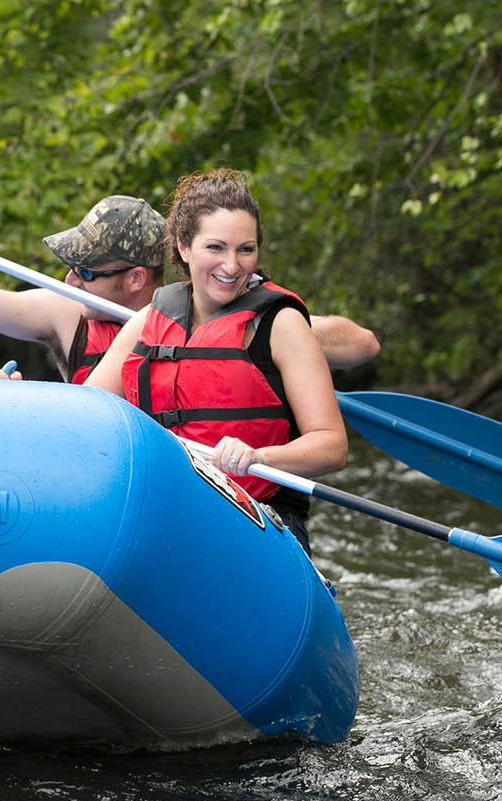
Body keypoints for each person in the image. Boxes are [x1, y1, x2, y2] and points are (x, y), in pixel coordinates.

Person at [84, 169, 348, 549]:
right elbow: (88, 414)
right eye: (216, 247)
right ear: (184, 246)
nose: (232, 265)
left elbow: (332, 446)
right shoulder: (147, 322)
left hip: (259, 517)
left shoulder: (281, 324)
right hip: (167, 514)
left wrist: (259, 456)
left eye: (246, 249)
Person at [0, 192, 380, 381]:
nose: (69, 280)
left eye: (86, 273)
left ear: (136, 278)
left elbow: (362, 344)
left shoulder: (218, 312)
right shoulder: (66, 313)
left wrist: (261, 328)